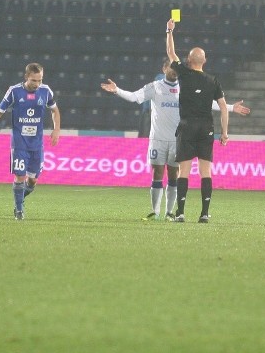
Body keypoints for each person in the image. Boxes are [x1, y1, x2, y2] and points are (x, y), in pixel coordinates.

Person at [101, 58, 250, 221]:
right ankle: (155, 212)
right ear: (164, 68)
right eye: (169, 67)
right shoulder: (154, 87)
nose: (173, 70)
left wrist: (230, 108)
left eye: (175, 68)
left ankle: (170, 212)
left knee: (174, 175)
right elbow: (133, 97)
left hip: (178, 139)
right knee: (157, 173)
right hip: (157, 138)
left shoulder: (184, 86)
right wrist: (117, 90)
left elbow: (209, 103)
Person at [165, 18, 229, 223]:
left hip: (187, 126)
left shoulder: (183, 73)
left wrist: (169, 31)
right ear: (204, 61)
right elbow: (223, 108)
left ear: (189, 61)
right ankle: (204, 214)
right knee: (205, 171)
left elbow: (171, 54)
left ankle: (181, 212)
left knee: (184, 171)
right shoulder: (213, 81)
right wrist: (224, 132)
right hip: (206, 127)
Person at [0, 63, 60, 220]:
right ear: (26, 77)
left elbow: (55, 110)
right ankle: (19, 210)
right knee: (20, 176)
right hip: (19, 143)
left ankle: (20, 199)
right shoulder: (14, 91)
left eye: (40, 80)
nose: (37, 84)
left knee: (33, 180)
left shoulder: (45, 91)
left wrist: (56, 129)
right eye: (33, 80)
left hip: (36, 144)